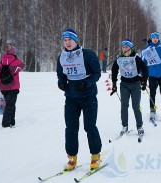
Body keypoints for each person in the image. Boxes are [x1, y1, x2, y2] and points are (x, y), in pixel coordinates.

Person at [56, 29, 102, 170]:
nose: (67, 42)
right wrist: (62, 83)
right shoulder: (62, 57)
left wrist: (87, 83)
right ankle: (72, 158)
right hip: (71, 98)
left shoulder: (87, 54)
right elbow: (61, 74)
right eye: (65, 40)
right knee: (71, 128)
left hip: (88, 96)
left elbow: (97, 73)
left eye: (70, 39)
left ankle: (95, 156)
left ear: (76, 40)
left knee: (89, 126)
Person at [111, 39, 148, 136]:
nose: (124, 49)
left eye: (127, 47)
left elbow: (145, 69)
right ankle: (124, 126)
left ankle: (140, 126)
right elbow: (114, 70)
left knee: (136, 106)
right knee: (124, 106)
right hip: (124, 85)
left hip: (135, 84)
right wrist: (114, 84)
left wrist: (144, 81)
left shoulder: (136, 58)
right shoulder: (119, 58)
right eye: (123, 47)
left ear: (131, 48)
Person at [0, 44, 25, 128]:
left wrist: (1, 86)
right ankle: (5, 125)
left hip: (3, 87)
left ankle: (12, 122)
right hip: (13, 87)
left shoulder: (0, 62)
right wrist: (16, 58)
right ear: (13, 52)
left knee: (11, 104)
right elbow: (23, 66)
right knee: (10, 106)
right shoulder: (16, 61)